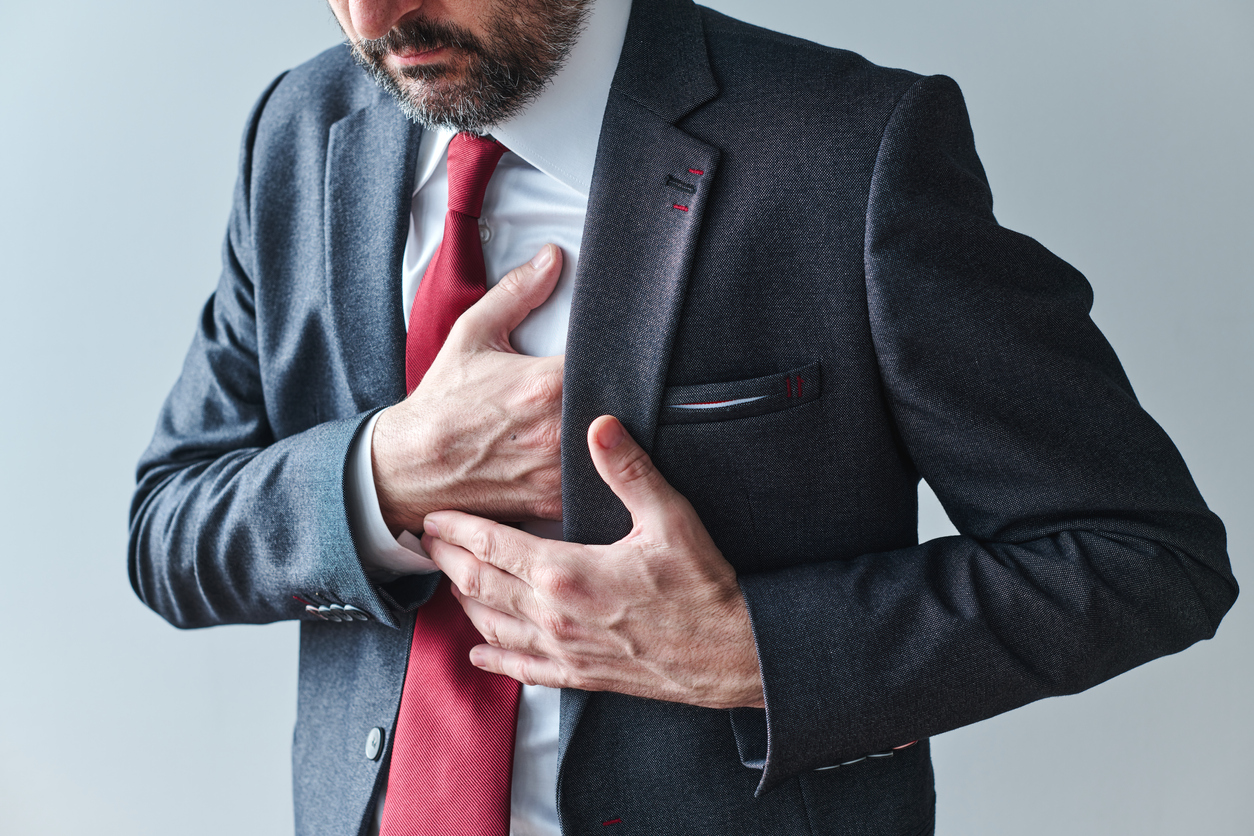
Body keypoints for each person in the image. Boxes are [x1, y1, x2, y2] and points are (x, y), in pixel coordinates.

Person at [128, 0, 1238, 833]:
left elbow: (1143, 556)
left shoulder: (854, 150)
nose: (373, 22)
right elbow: (167, 527)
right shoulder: (301, 129)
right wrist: (386, 470)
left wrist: (752, 650)